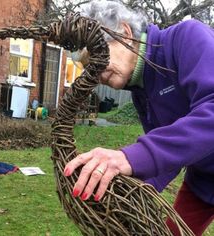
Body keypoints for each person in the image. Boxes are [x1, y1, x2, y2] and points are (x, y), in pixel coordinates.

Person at [63, 0, 214, 235]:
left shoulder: (187, 38)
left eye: (98, 57)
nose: (96, 74)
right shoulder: (141, 91)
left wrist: (131, 157)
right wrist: (128, 190)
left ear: (125, 32)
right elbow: (168, 153)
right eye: (89, 66)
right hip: (204, 183)